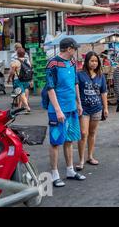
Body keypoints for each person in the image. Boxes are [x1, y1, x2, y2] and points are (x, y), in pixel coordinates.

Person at [45, 37, 86, 187]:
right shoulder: (52, 64)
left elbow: (75, 82)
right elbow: (50, 88)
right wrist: (58, 110)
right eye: (75, 49)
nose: (75, 52)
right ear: (69, 49)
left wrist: (79, 103)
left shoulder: (73, 63)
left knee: (69, 140)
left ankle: (70, 170)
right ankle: (54, 174)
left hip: (72, 109)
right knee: (56, 142)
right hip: (58, 110)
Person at [75, 52, 108, 171]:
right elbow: (76, 91)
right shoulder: (80, 74)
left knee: (92, 133)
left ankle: (90, 156)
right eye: (91, 61)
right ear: (87, 62)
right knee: (84, 133)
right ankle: (81, 160)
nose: (94, 63)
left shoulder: (101, 76)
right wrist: (78, 104)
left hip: (97, 108)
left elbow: (103, 92)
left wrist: (106, 108)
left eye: (96, 61)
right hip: (84, 108)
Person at [7, 48, 31, 112]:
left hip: (18, 79)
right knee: (24, 93)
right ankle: (20, 106)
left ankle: (27, 106)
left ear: (17, 54)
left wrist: (9, 78)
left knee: (21, 93)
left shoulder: (15, 62)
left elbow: (12, 72)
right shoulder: (27, 61)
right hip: (26, 79)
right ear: (24, 54)